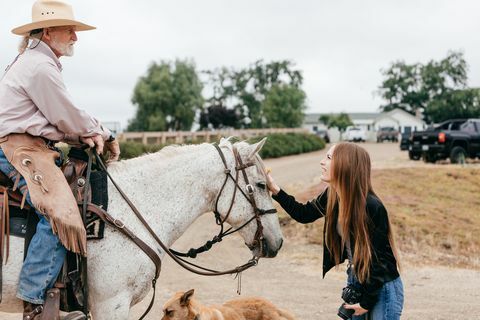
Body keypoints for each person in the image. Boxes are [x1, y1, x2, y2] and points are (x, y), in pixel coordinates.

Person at [0, 0, 120, 319]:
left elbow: (56, 121)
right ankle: (35, 300)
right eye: (70, 30)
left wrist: (83, 133)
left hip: (29, 145)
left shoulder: (35, 62)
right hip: (18, 149)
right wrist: (101, 133)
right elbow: (65, 115)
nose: (75, 37)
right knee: (58, 213)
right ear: (50, 31)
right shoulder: (39, 66)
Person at [267, 142, 403, 319]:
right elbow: (304, 214)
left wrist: (367, 302)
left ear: (346, 164)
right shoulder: (333, 196)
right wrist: (275, 189)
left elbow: (379, 261)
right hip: (356, 279)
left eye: (329, 158)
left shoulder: (371, 206)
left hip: (381, 286)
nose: (322, 162)